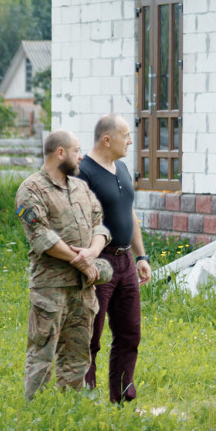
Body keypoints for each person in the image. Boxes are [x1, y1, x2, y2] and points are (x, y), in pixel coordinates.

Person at [15, 129, 110, 401]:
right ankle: (38, 411)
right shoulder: (31, 189)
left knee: (79, 352)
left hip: (83, 288)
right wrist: (80, 261)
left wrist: (92, 252)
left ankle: (69, 408)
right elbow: (40, 235)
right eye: (77, 151)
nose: (81, 156)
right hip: (51, 288)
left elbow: (99, 224)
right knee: (42, 350)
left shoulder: (80, 187)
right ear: (60, 153)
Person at [78, 114, 152, 404]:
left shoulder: (121, 167)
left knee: (130, 334)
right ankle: (86, 398)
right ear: (107, 139)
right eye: (126, 136)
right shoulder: (84, 173)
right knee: (90, 337)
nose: (131, 141)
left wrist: (141, 255)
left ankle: (122, 398)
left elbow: (129, 215)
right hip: (99, 264)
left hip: (125, 263)